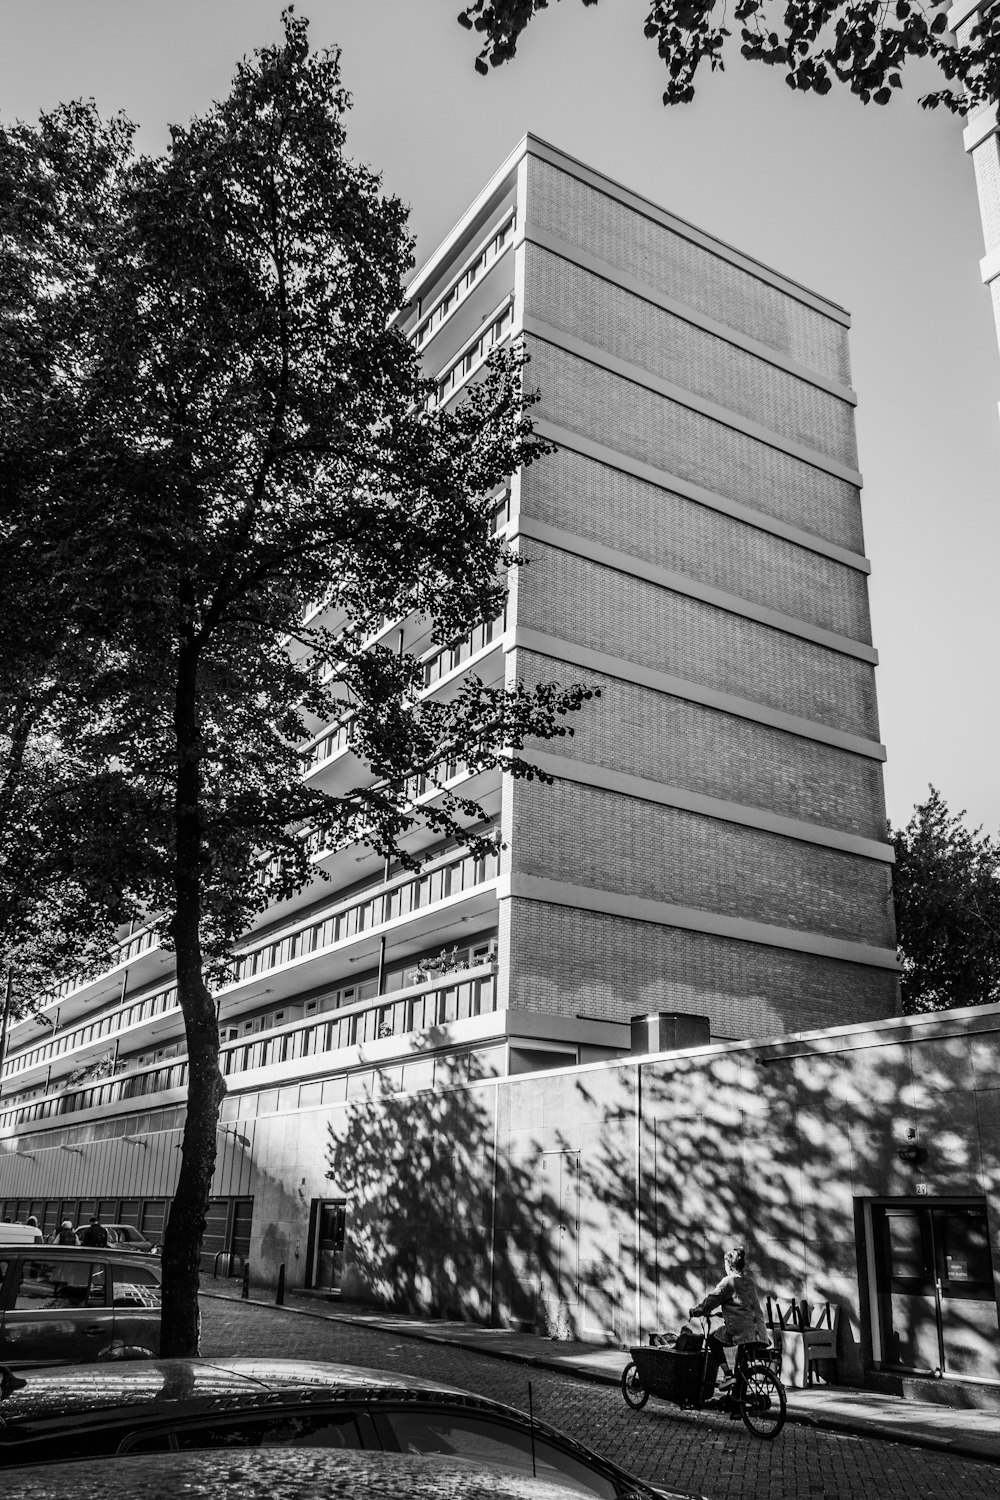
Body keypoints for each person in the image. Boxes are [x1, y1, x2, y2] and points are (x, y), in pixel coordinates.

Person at [690, 1245, 768, 1393]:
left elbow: (709, 1303)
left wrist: (695, 1312)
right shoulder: (749, 1281)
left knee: (712, 1340)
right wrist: (724, 1314)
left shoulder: (728, 1282)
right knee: (742, 1367)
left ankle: (727, 1375)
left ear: (729, 1265)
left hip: (742, 1330)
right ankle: (738, 1403)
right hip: (760, 1331)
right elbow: (743, 1306)